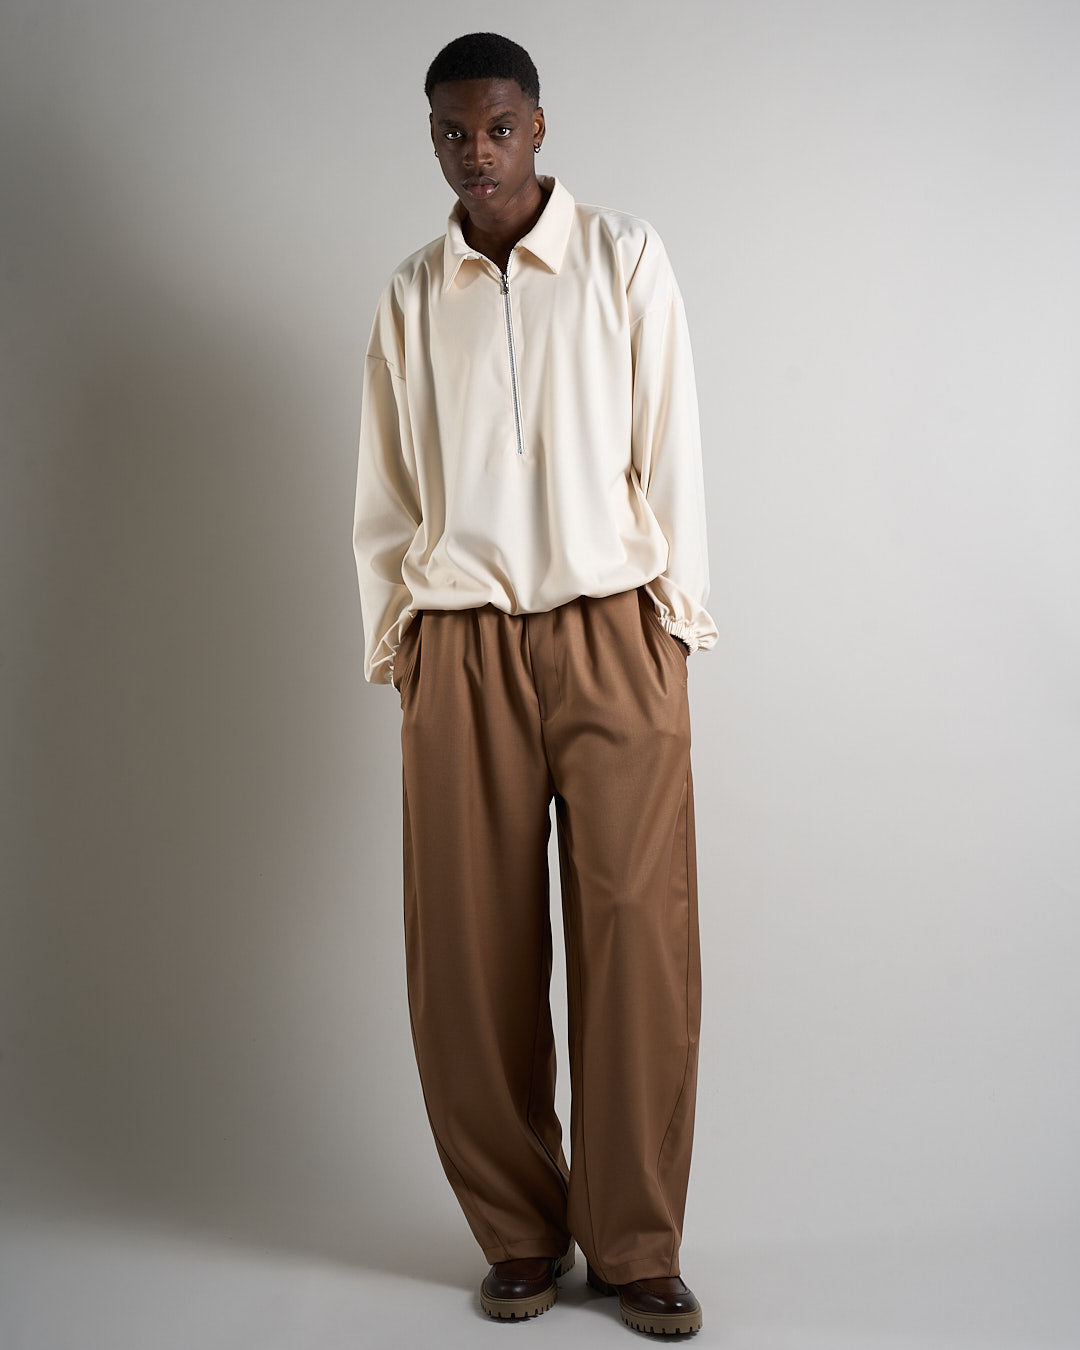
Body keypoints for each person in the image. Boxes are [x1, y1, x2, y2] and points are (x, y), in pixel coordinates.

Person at [352, 30, 716, 1338]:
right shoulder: (413, 293)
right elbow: (386, 487)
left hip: (612, 628)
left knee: (637, 937)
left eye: (499, 127)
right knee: (468, 949)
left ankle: (635, 1241)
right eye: (453, 133)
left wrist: (673, 626)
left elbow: (672, 445)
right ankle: (516, 1232)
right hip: (462, 642)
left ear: (540, 126)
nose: (478, 153)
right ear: (433, 139)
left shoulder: (624, 257)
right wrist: (401, 644)